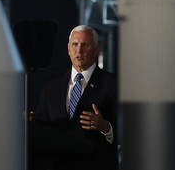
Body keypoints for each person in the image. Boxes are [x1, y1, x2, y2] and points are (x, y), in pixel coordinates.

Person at [32, 25, 118, 170]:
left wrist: (105, 126)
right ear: (68, 48)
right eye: (75, 44)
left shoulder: (113, 84)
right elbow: (43, 127)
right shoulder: (51, 86)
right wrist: (34, 122)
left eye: (85, 45)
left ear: (97, 49)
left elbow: (129, 131)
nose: (79, 50)